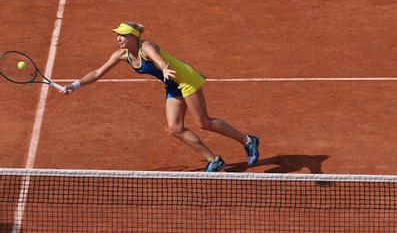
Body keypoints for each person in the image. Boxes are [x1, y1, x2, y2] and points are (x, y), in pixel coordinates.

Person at [61, 21, 259, 172]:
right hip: (172, 85)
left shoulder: (146, 46)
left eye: (122, 35)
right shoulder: (121, 55)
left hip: (186, 79)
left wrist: (164, 69)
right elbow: (97, 73)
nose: (118, 39)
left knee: (203, 122)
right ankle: (214, 160)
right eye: (117, 36)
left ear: (133, 37)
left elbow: (158, 59)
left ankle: (247, 140)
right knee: (175, 128)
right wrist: (74, 85)